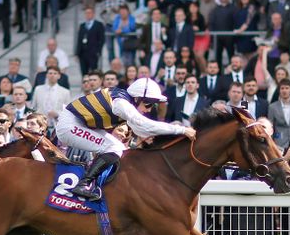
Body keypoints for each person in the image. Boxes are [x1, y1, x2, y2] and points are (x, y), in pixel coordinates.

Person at [57, 77, 195, 200]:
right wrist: (181, 129)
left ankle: (98, 183)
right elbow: (144, 124)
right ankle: (83, 184)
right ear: (137, 98)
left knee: (120, 149)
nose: (149, 109)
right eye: (148, 104)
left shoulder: (125, 101)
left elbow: (140, 129)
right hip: (69, 125)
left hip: (81, 123)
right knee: (113, 148)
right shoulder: (121, 104)